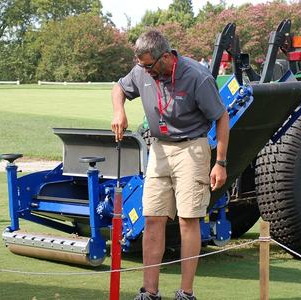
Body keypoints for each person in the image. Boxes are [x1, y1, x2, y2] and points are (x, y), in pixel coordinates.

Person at [111, 30, 229, 300]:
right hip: (159, 149)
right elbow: (119, 87)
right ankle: (149, 292)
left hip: (192, 148)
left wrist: (220, 162)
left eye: (149, 66)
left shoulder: (197, 76)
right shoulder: (143, 70)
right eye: (141, 66)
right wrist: (119, 110)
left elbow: (221, 118)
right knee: (152, 218)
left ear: (166, 56)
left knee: (188, 219)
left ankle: (186, 293)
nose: (145, 72)